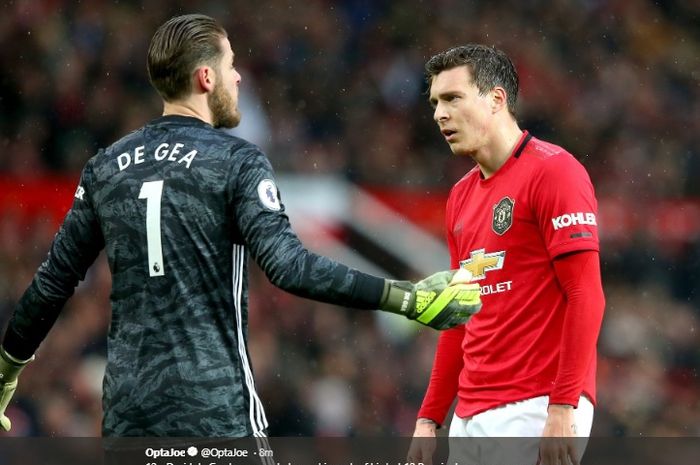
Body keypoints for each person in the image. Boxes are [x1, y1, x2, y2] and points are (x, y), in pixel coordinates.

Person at [0, 15, 483, 438]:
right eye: (230, 65)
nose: (238, 76)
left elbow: (51, 283)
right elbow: (289, 267)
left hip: (129, 417)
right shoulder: (235, 161)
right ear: (206, 77)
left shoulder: (108, 166)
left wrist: (6, 371)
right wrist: (405, 298)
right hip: (214, 411)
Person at [406, 45, 605, 465]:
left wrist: (562, 405)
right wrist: (429, 417)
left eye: (453, 98)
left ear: (496, 99)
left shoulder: (555, 172)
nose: (439, 114)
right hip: (471, 413)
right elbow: (458, 315)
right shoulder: (459, 198)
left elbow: (586, 294)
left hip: (535, 405)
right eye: (435, 102)